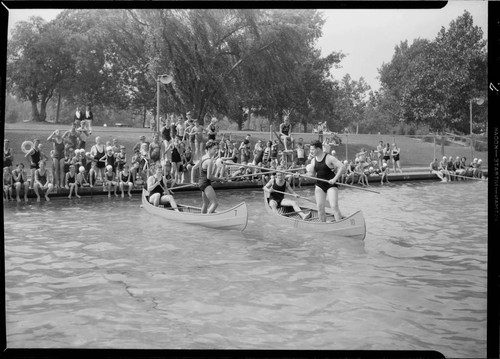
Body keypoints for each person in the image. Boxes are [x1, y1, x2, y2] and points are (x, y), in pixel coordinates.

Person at [306, 140, 345, 222]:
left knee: (334, 206)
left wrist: (334, 179)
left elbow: (342, 167)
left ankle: (340, 224)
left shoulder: (329, 158)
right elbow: (312, 175)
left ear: (318, 149)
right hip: (320, 186)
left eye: (312, 150)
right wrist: (303, 176)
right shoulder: (313, 161)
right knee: (320, 207)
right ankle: (323, 225)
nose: (311, 152)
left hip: (331, 185)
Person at [191, 140, 223, 214]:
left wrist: (192, 181)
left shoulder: (203, 157)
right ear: (209, 149)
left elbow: (193, 168)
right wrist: (220, 179)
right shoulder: (209, 161)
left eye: (217, 149)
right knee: (215, 203)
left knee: (205, 204)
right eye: (214, 149)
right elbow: (209, 177)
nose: (216, 151)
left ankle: (202, 219)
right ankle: (207, 219)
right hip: (206, 183)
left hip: (201, 183)